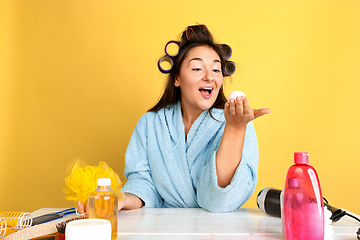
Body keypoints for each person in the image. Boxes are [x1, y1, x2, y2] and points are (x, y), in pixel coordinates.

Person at [79, 24, 270, 214]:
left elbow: (220, 201)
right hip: (164, 227)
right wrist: (119, 200)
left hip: (219, 229)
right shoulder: (150, 124)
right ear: (177, 78)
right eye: (197, 68)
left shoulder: (237, 122)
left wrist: (235, 130)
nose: (209, 77)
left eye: (216, 70)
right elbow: (144, 183)